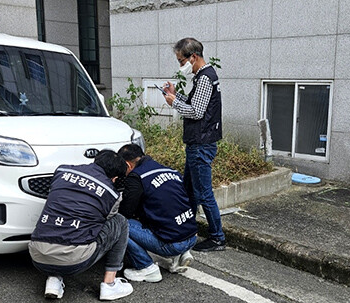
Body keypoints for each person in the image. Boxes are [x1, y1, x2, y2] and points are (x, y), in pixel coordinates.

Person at [28, 150, 133, 301]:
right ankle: (109, 285)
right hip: (74, 261)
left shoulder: (62, 170)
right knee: (120, 222)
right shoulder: (111, 193)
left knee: (59, 221)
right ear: (114, 178)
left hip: (37, 255)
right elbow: (106, 219)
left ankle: (54, 280)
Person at [162, 37, 226, 252]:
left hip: (201, 144)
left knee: (204, 193)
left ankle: (217, 238)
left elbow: (196, 112)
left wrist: (174, 102)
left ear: (194, 57)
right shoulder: (202, 77)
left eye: (182, 61)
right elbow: (196, 103)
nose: (181, 65)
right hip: (198, 143)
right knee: (190, 190)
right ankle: (188, 230)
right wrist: (174, 94)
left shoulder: (205, 78)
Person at [118, 144, 197, 282]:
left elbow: (126, 212)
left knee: (120, 224)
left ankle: (146, 267)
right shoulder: (169, 170)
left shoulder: (136, 177)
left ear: (127, 165)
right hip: (191, 235)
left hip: (173, 243)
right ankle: (181, 254)